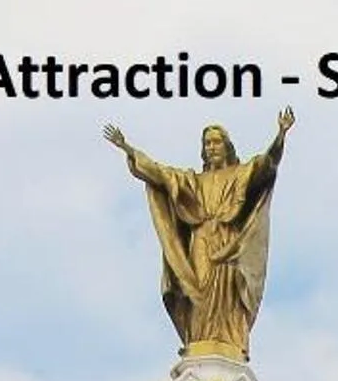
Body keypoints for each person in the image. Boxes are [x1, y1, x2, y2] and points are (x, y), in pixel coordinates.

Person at [105, 111, 294, 359]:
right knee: (199, 293)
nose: (212, 147)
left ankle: (229, 342)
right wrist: (128, 148)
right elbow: (161, 174)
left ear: (227, 146)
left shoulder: (241, 173)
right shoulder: (193, 181)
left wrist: (280, 134)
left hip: (229, 244)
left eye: (217, 142)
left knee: (228, 295)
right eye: (207, 143)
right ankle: (199, 341)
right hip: (201, 242)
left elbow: (267, 164)